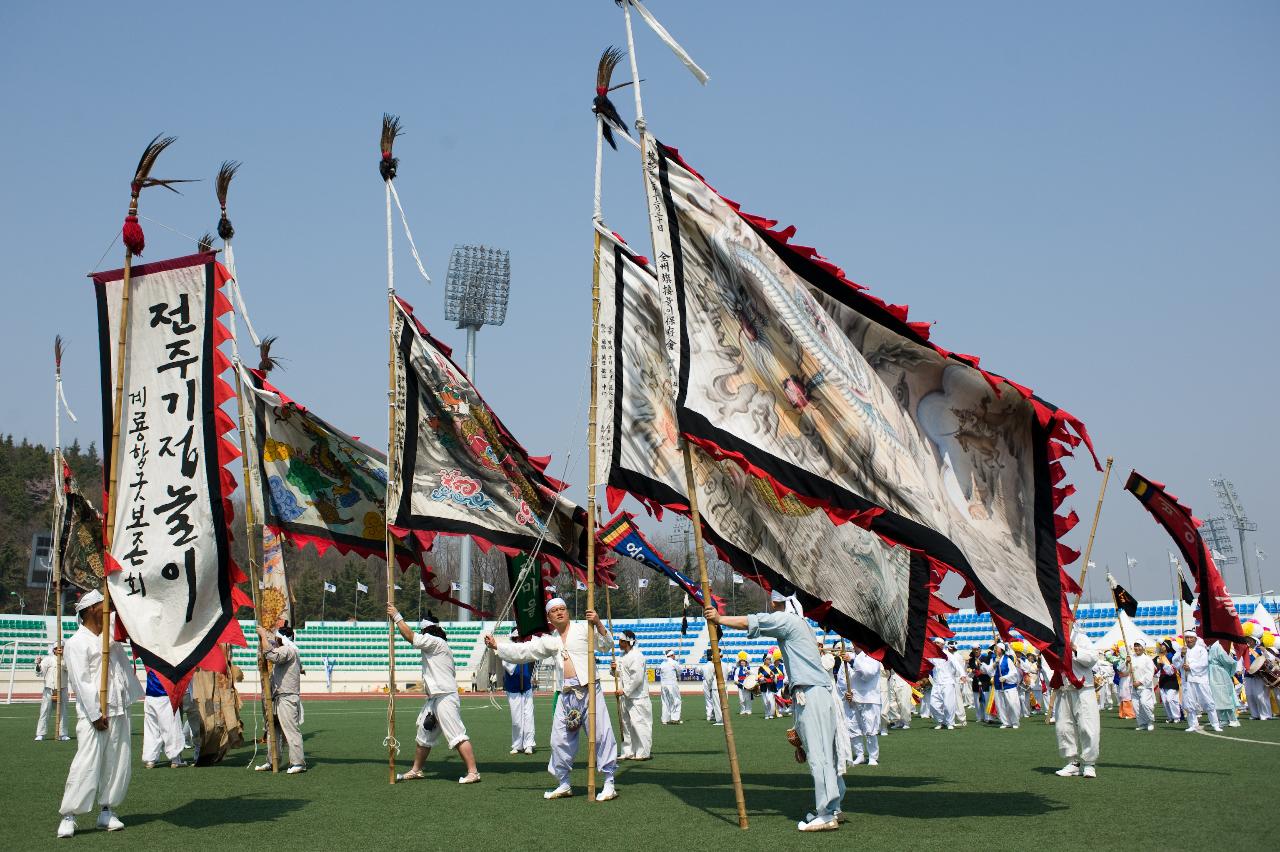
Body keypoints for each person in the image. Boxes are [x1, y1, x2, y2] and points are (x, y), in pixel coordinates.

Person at [706, 593, 848, 832]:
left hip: (811, 693)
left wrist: (719, 619)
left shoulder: (787, 620)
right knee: (827, 754)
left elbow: (751, 622)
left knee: (819, 756)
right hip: (815, 692)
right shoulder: (801, 624)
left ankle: (826, 813)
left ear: (775, 603)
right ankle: (833, 807)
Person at [483, 598, 618, 801]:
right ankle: (564, 782)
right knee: (559, 740)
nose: (559, 613)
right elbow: (524, 651)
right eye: (554, 611)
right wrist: (497, 646)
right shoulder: (549, 640)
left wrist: (598, 623)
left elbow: (607, 646)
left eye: (563, 609)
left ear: (568, 612)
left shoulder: (583, 629)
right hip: (566, 695)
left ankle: (609, 783)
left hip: (590, 690)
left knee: (601, 735)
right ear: (549, 617)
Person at [56, 589, 144, 838]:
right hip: (94, 716)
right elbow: (81, 681)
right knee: (86, 764)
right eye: (104, 606)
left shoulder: (111, 641)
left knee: (118, 763)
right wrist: (95, 714)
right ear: (93, 609)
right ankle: (69, 815)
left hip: (119, 709)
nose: (110, 611)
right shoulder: (76, 643)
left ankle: (107, 811)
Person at [388, 606, 481, 783]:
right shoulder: (438, 643)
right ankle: (416, 770)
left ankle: (473, 772)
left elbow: (410, 637)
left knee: (456, 734)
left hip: (445, 696)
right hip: (435, 697)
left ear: (427, 630)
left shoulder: (434, 641)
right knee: (424, 734)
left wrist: (397, 616)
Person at [255, 619, 307, 773]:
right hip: (278, 697)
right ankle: (272, 761)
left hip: (286, 697)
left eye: (277, 639)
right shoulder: (291, 650)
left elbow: (271, 655)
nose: (275, 642)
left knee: (290, 730)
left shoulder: (288, 650)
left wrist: (263, 636)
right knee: (273, 730)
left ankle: (298, 763)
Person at [1053, 627, 1101, 778]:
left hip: (1083, 688)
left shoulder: (1080, 637)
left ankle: (1089, 764)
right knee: (1063, 726)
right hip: (1063, 687)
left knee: (1088, 725)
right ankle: (1072, 762)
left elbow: (1093, 658)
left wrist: (1075, 649)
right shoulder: (1053, 638)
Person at [835, 646, 882, 766]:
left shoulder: (873, 656)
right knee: (852, 727)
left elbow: (868, 674)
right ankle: (859, 754)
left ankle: (872, 756)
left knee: (870, 728)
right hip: (852, 698)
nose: (855, 645)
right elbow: (841, 678)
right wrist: (846, 692)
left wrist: (852, 661)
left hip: (869, 697)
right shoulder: (848, 657)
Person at [612, 630, 652, 760]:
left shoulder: (637, 656)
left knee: (639, 724)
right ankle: (628, 751)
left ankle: (643, 752)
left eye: (622, 641)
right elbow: (619, 675)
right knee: (626, 725)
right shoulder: (622, 657)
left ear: (628, 642)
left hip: (638, 697)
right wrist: (614, 669)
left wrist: (625, 690)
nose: (619, 643)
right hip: (626, 697)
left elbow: (637, 678)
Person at [141, 668, 187, 769]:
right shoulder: (169, 658)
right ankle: (175, 759)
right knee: (172, 728)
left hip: (150, 696)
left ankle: (150, 759)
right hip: (166, 695)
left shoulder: (148, 655)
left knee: (151, 729)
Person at [1175, 631, 1219, 733]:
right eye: (1187, 638)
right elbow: (1175, 663)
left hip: (1200, 679)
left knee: (1208, 701)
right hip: (1187, 680)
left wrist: (1190, 667)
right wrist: (1182, 656)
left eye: (1191, 638)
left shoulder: (1202, 650)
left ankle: (1215, 724)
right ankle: (1193, 724)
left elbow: (1204, 664)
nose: (1189, 640)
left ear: (1195, 639)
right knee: (1189, 703)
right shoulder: (1182, 650)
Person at [501, 630, 536, 755]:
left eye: (520, 638)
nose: (518, 640)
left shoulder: (526, 648)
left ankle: (529, 744)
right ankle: (517, 744)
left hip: (526, 686)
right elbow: (509, 668)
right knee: (516, 719)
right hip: (513, 688)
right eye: (516, 638)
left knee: (528, 717)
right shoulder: (507, 651)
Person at [34, 645, 70, 741]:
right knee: (45, 711)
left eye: (62, 647)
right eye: (58, 648)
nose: (60, 649)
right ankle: (41, 733)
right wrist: (38, 664)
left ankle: (63, 734)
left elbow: (68, 668)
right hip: (49, 689)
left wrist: (62, 658)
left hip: (62, 689)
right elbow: (40, 673)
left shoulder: (67, 659)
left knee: (63, 712)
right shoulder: (48, 659)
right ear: (54, 649)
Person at [984, 643, 1021, 729]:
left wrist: (1005, 677)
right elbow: (989, 671)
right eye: (995, 648)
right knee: (1000, 705)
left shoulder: (1007, 660)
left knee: (1012, 704)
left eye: (997, 648)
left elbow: (1014, 672)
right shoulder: (994, 659)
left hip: (1009, 686)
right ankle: (1005, 722)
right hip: (998, 686)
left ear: (1001, 650)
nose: (995, 649)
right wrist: (994, 664)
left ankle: (1015, 722)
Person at [1207, 640, 1240, 729]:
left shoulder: (1218, 646)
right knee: (1217, 697)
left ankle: (1233, 719)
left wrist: (1229, 672)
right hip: (1212, 673)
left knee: (1226, 696)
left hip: (1220, 673)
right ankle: (1223, 719)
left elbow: (1228, 661)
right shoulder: (1210, 647)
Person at [1242, 637, 1274, 720]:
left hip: (1259, 675)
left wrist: (1265, 651)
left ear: (1254, 640)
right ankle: (1255, 715)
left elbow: (1271, 659)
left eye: (1249, 639)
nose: (1248, 641)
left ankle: (1266, 715)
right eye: (1247, 639)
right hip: (1248, 675)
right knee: (1249, 695)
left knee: (1260, 696)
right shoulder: (1245, 649)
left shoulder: (1260, 649)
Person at [927, 638, 956, 730]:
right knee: (933, 704)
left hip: (947, 683)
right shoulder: (932, 656)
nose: (935, 644)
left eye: (937, 643)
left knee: (948, 705)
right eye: (935, 643)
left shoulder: (948, 655)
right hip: (936, 683)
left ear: (943, 644)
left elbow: (957, 665)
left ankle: (950, 722)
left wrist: (963, 674)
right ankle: (941, 721)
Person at [1129, 640, 1157, 732]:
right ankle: (1142, 723)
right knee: (1136, 707)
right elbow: (1122, 670)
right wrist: (1126, 662)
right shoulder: (1130, 658)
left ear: (1143, 647)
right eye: (1135, 646)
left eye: (1139, 646)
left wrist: (1140, 682)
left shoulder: (1147, 659)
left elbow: (1150, 673)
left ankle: (1150, 721)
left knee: (1145, 703)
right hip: (1133, 686)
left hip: (1144, 686)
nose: (1137, 648)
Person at [1156, 641, 1182, 723]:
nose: (1161, 647)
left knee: (1170, 699)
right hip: (1163, 681)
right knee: (1165, 701)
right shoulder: (1160, 657)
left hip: (1172, 680)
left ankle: (1177, 717)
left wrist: (1163, 664)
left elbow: (1172, 670)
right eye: (1161, 646)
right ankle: (1170, 717)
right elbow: (1157, 669)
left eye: (1163, 646)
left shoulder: (1172, 656)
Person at [657, 649, 683, 725]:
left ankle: (665, 719)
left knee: (665, 702)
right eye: (674, 655)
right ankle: (675, 718)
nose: (675, 656)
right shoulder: (674, 663)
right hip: (672, 684)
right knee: (676, 700)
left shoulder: (662, 663)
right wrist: (678, 674)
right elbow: (680, 670)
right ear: (671, 655)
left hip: (663, 685)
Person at [700, 651, 723, 725]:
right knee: (715, 700)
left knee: (708, 699)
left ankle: (709, 715)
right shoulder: (714, 665)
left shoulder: (704, 666)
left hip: (706, 682)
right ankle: (714, 715)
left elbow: (699, 671)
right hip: (713, 682)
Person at [731, 651, 753, 715]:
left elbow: (753, 675)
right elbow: (736, 676)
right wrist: (736, 681)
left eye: (743, 661)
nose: (742, 662)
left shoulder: (749, 668)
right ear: (739, 662)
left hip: (748, 685)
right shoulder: (737, 669)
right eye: (741, 661)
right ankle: (742, 710)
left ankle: (748, 710)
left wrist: (749, 672)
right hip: (740, 685)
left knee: (748, 698)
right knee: (741, 699)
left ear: (746, 662)